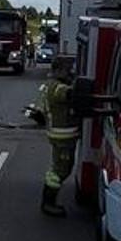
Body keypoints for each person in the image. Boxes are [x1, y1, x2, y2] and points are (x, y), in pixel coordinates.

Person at [38, 55, 79, 217]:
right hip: (63, 137)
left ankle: (48, 201)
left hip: (62, 135)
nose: (70, 72)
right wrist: (77, 83)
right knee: (60, 170)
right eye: (68, 70)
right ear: (58, 70)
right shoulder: (58, 87)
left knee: (62, 168)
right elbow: (70, 94)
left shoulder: (52, 84)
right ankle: (48, 203)